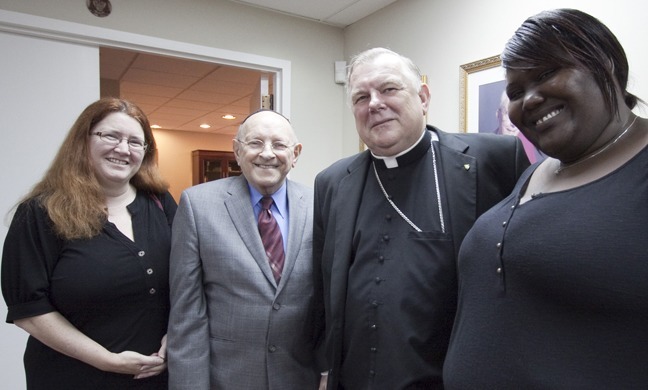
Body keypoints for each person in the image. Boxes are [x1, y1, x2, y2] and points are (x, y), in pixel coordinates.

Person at [443, 9, 648, 388]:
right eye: (516, 92)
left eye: (545, 74)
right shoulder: (537, 170)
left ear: (604, 62)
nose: (530, 99)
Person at [313, 47, 530, 389]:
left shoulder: (496, 159)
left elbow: (522, 277)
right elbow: (322, 288)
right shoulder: (331, 182)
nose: (374, 104)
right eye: (360, 97)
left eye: (389, 89)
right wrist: (325, 370)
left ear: (423, 97)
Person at [1, 97, 176, 389]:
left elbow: (188, 278)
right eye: (111, 136)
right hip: (74, 377)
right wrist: (107, 360)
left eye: (136, 142)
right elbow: (30, 312)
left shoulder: (160, 202)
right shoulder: (41, 212)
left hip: (157, 378)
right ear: (83, 140)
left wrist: (176, 333)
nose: (123, 149)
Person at [167, 110, 321, 389]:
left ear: (295, 154)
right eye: (255, 143)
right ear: (237, 152)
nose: (267, 153)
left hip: (300, 378)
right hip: (227, 378)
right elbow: (186, 315)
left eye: (279, 144)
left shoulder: (319, 205)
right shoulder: (197, 206)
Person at [495, 90, 545, 163]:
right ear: (498, 114)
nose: (512, 124)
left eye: (517, 114)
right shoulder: (488, 144)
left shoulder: (532, 142)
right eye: (506, 114)